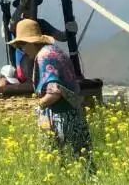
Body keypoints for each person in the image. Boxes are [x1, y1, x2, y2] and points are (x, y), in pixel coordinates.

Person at [10, 18, 92, 160]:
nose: (22, 50)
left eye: (22, 45)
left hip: (61, 119)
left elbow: (54, 92)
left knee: (62, 162)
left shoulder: (44, 57)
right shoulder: (55, 51)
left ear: (31, 42)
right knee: (82, 161)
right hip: (74, 115)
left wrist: (37, 106)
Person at [10, 0, 75, 82]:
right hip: (25, 67)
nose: (31, 9)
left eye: (33, 5)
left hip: (41, 65)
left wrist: (70, 31)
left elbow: (61, 37)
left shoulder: (41, 24)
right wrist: (21, 6)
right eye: (27, 6)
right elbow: (12, 25)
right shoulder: (20, 25)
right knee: (30, 57)